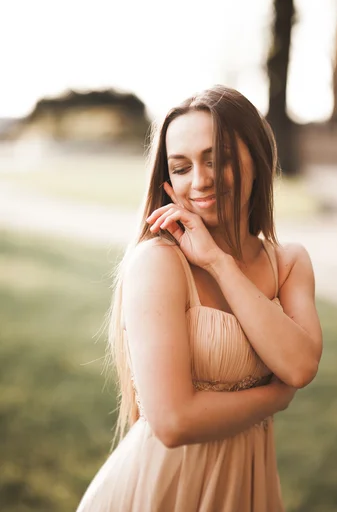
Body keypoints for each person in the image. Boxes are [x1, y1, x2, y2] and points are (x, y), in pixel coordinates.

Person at [76, 85, 322, 512]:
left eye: (217, 159)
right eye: (182, 167)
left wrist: (219, 263)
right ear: (167, 181)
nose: (201, 180)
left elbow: (299, 365)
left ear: (255, 159)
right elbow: (172, 422)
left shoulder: (288, 263)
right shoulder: (158, 264)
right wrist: (273, 399)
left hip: (247, 488)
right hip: (163, 489)